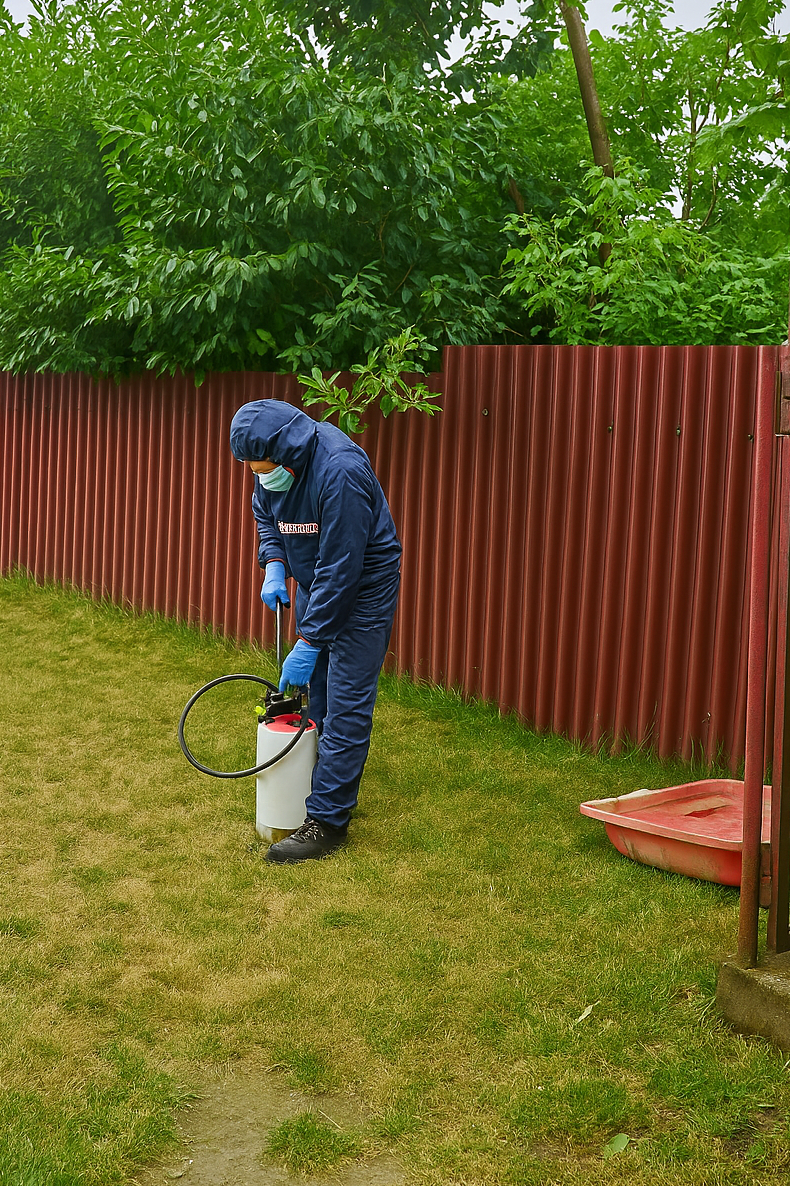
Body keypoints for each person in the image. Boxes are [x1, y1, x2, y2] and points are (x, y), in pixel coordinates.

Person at [229, 399, 401, 864]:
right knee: (317, 697)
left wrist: (309, 641)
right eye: (253, 471)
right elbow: (265, 512)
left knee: (345, 704)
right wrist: (275, 562)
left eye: (263, 470)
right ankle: (315, 787)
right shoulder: (271, 466)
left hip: (362, 587)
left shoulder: (340, 471)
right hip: (314, 579)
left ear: (288, 455)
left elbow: (342, 568)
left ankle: (327, 821)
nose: (259, 478)